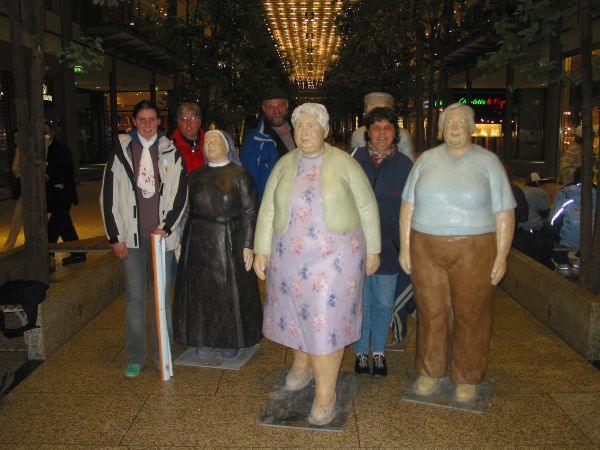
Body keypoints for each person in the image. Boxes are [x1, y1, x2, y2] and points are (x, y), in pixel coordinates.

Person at [253, 103, 381, 426]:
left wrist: (374, 250)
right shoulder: (284, 164)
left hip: (334, 259)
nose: (305, 132)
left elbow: (367, 206)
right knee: (295, 314)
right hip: (290, 258)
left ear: (326, 130)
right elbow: (268, 209)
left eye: (312, 126)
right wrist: (261, 249)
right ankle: (303, 363)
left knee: (326, 322)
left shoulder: (345, 163)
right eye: (300, 126)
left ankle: (326, 393)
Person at [399, 102, 515, 402]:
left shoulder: (488, 162)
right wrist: (405, 247)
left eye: (460, 122)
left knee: (471, 313)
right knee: (430, 311)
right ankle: (430, 370)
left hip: (475, 248)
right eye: (448, 122)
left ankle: (467, 374)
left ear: (471, 127)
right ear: (440, 128)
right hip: (425, 247)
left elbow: (504, 212)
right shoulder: (425, 160)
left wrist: (502, 255)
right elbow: (408, 206)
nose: (453, 127)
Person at [100, 99, 187, 379]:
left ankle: (163, 352)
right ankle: (135, 356)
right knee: (135, 298)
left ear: (159, 122)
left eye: (152, 119)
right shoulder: (121, 152)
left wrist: (166, 228)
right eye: (142, 119)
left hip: (160, 239)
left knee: (162, 298)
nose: (147, 124)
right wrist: (115, 237)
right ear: (134, 122)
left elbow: (180, 195)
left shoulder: (171, 152)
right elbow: (108, 197)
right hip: (132, 239)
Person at [173, 130, 262, 358]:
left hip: (229, 240)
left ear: (227, 146)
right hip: (197, 242)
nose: (210, 144)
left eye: (216, 140)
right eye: (207, 141)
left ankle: (230, 338)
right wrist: (180, 240)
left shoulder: (240, 176)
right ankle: (203, 337)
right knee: (200, 292)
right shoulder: (194, 177)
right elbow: (186, 210)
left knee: (227, 292)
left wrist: (248, 244)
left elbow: (251, 211)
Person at [351, 107, 413, 377]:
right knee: (362, 303)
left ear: (395, 133)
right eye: (376, 128)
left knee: (384, 303)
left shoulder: (405, 165)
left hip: (390, 249)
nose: (381, 133)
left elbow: (412, 207)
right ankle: (361, 352)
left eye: (387, 128)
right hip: (357, 248)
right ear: (368, 132)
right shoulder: (354, 160)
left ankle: (379, 352)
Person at [240, 88, 296, 200]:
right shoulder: (254, 140)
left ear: (287, 106)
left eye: (280, 106)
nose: (276, 112)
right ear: (263, 108)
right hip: (273, 202)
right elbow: (248, 181)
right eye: (271, 107)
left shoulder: (300, 130)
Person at [45, 121, 84, 265]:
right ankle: (78, 253)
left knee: (53, 229)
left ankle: (48, 258)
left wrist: (50, 176)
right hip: (54, 195)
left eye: (45, 131)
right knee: (66, 227)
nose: (43, 135)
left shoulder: (60, 148)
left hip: (62, 195)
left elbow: (67, 169)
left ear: (52, 132)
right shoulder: (43, 148)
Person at [349, 92, 414, 161]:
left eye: (387, 127)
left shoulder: (403, 135)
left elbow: (410, 161)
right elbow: (352, 161)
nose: (382, 132)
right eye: (376, 128)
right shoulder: (357, 134)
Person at [170, 102, 206, 174]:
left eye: (193, 118)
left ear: (199, 122)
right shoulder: (169, 148)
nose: (188, 123)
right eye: (184, 118)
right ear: (178, 122)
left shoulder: (210, 145)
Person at [2, 130, 23, 252]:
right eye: (15, 137)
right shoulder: (16, 150)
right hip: (22, 188)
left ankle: (8, 247)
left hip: (28, 188)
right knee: (16, 219)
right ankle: (8, 247)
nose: (17, 140)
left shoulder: (24, 151)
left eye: (19, 137)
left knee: (17, 218)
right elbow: (14, 170)